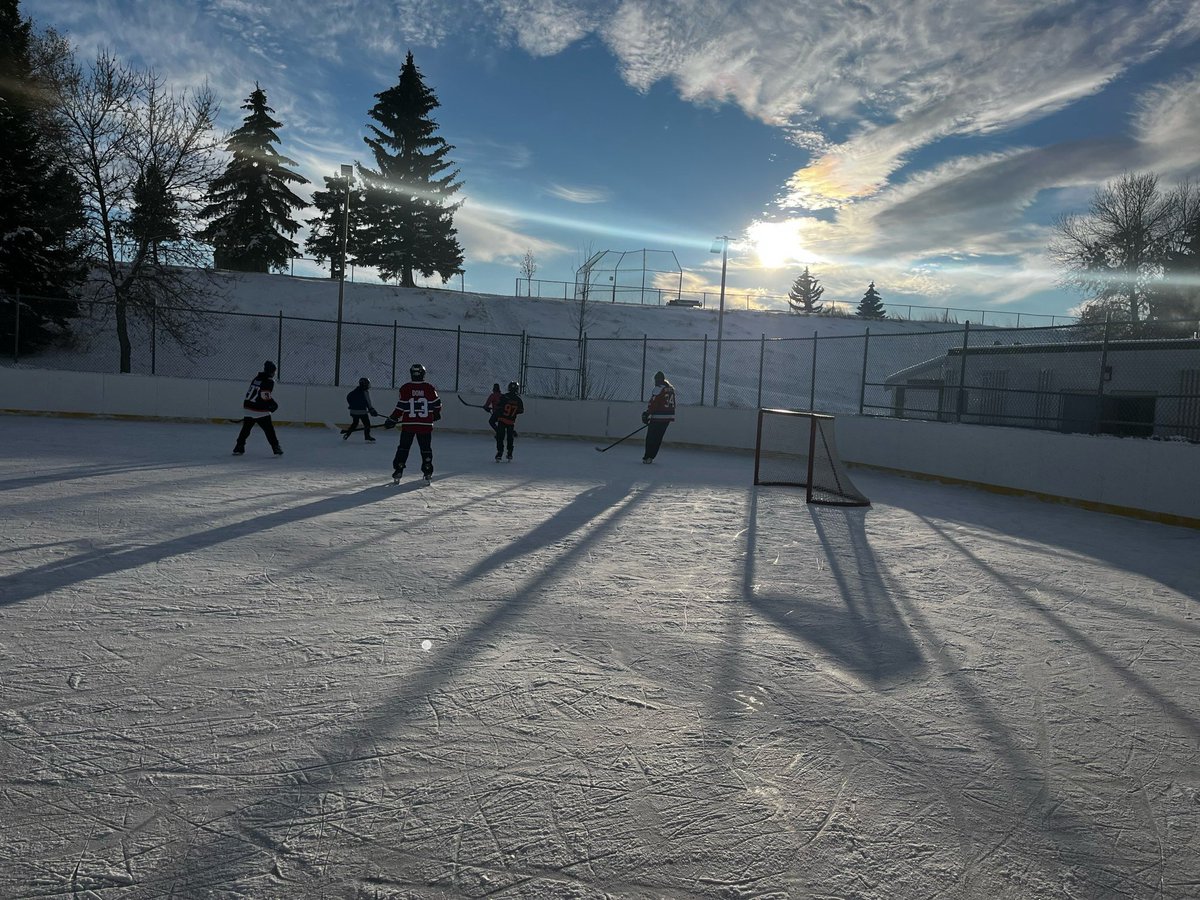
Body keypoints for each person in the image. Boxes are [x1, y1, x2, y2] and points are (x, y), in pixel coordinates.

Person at [385, 363, 441, 482]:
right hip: (425, 425)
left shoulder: (405, 388)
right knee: (426, 449)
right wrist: (436, 413)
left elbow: (400, 407)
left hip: (409, 425)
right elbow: (437, 404)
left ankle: (399, 469)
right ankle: (427, 469)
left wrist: (392, 418)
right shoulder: (429, 388)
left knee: (403, 448)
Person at [233, 360, 283, 456]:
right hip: (259, 410)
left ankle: (239, 446)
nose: (274, 373)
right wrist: (273, 404)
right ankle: (276, 447)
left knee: (246, 429)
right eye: (274, 371)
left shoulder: (257, 378)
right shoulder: (269, 381)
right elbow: (265, 395)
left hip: (248, 407)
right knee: (269, 430)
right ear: (271, 371)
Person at [641, 370, 675, 463]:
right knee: (658, 438)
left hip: (658, 417)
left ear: (657, 380)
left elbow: (654, 403)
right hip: (668, 418)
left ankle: (647, 456)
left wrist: (647, 413)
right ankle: (651, 457)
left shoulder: (658, 388)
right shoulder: (671, 389)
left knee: (650, 437)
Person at [341, 377, 380, 442]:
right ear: (365, 385)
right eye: (367, 384)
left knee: (355, 423)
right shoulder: (365, 392)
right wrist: (371, 410)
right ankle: (367, 436)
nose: (368, 386)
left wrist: (353, 406)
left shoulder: (355, 391)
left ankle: (347, 434)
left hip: (353, 412)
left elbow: (349, 397)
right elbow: (368, 402)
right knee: (367, 424)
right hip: (362, 412)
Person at [494, 381, 524, 461]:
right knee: (510, 438)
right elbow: (521, 411)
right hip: (511, 421)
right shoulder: (518, 400)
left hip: (502, 420)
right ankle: (510, 452)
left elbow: (498, 406)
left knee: (500, 437)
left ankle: (500, 452)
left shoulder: (505, 397)